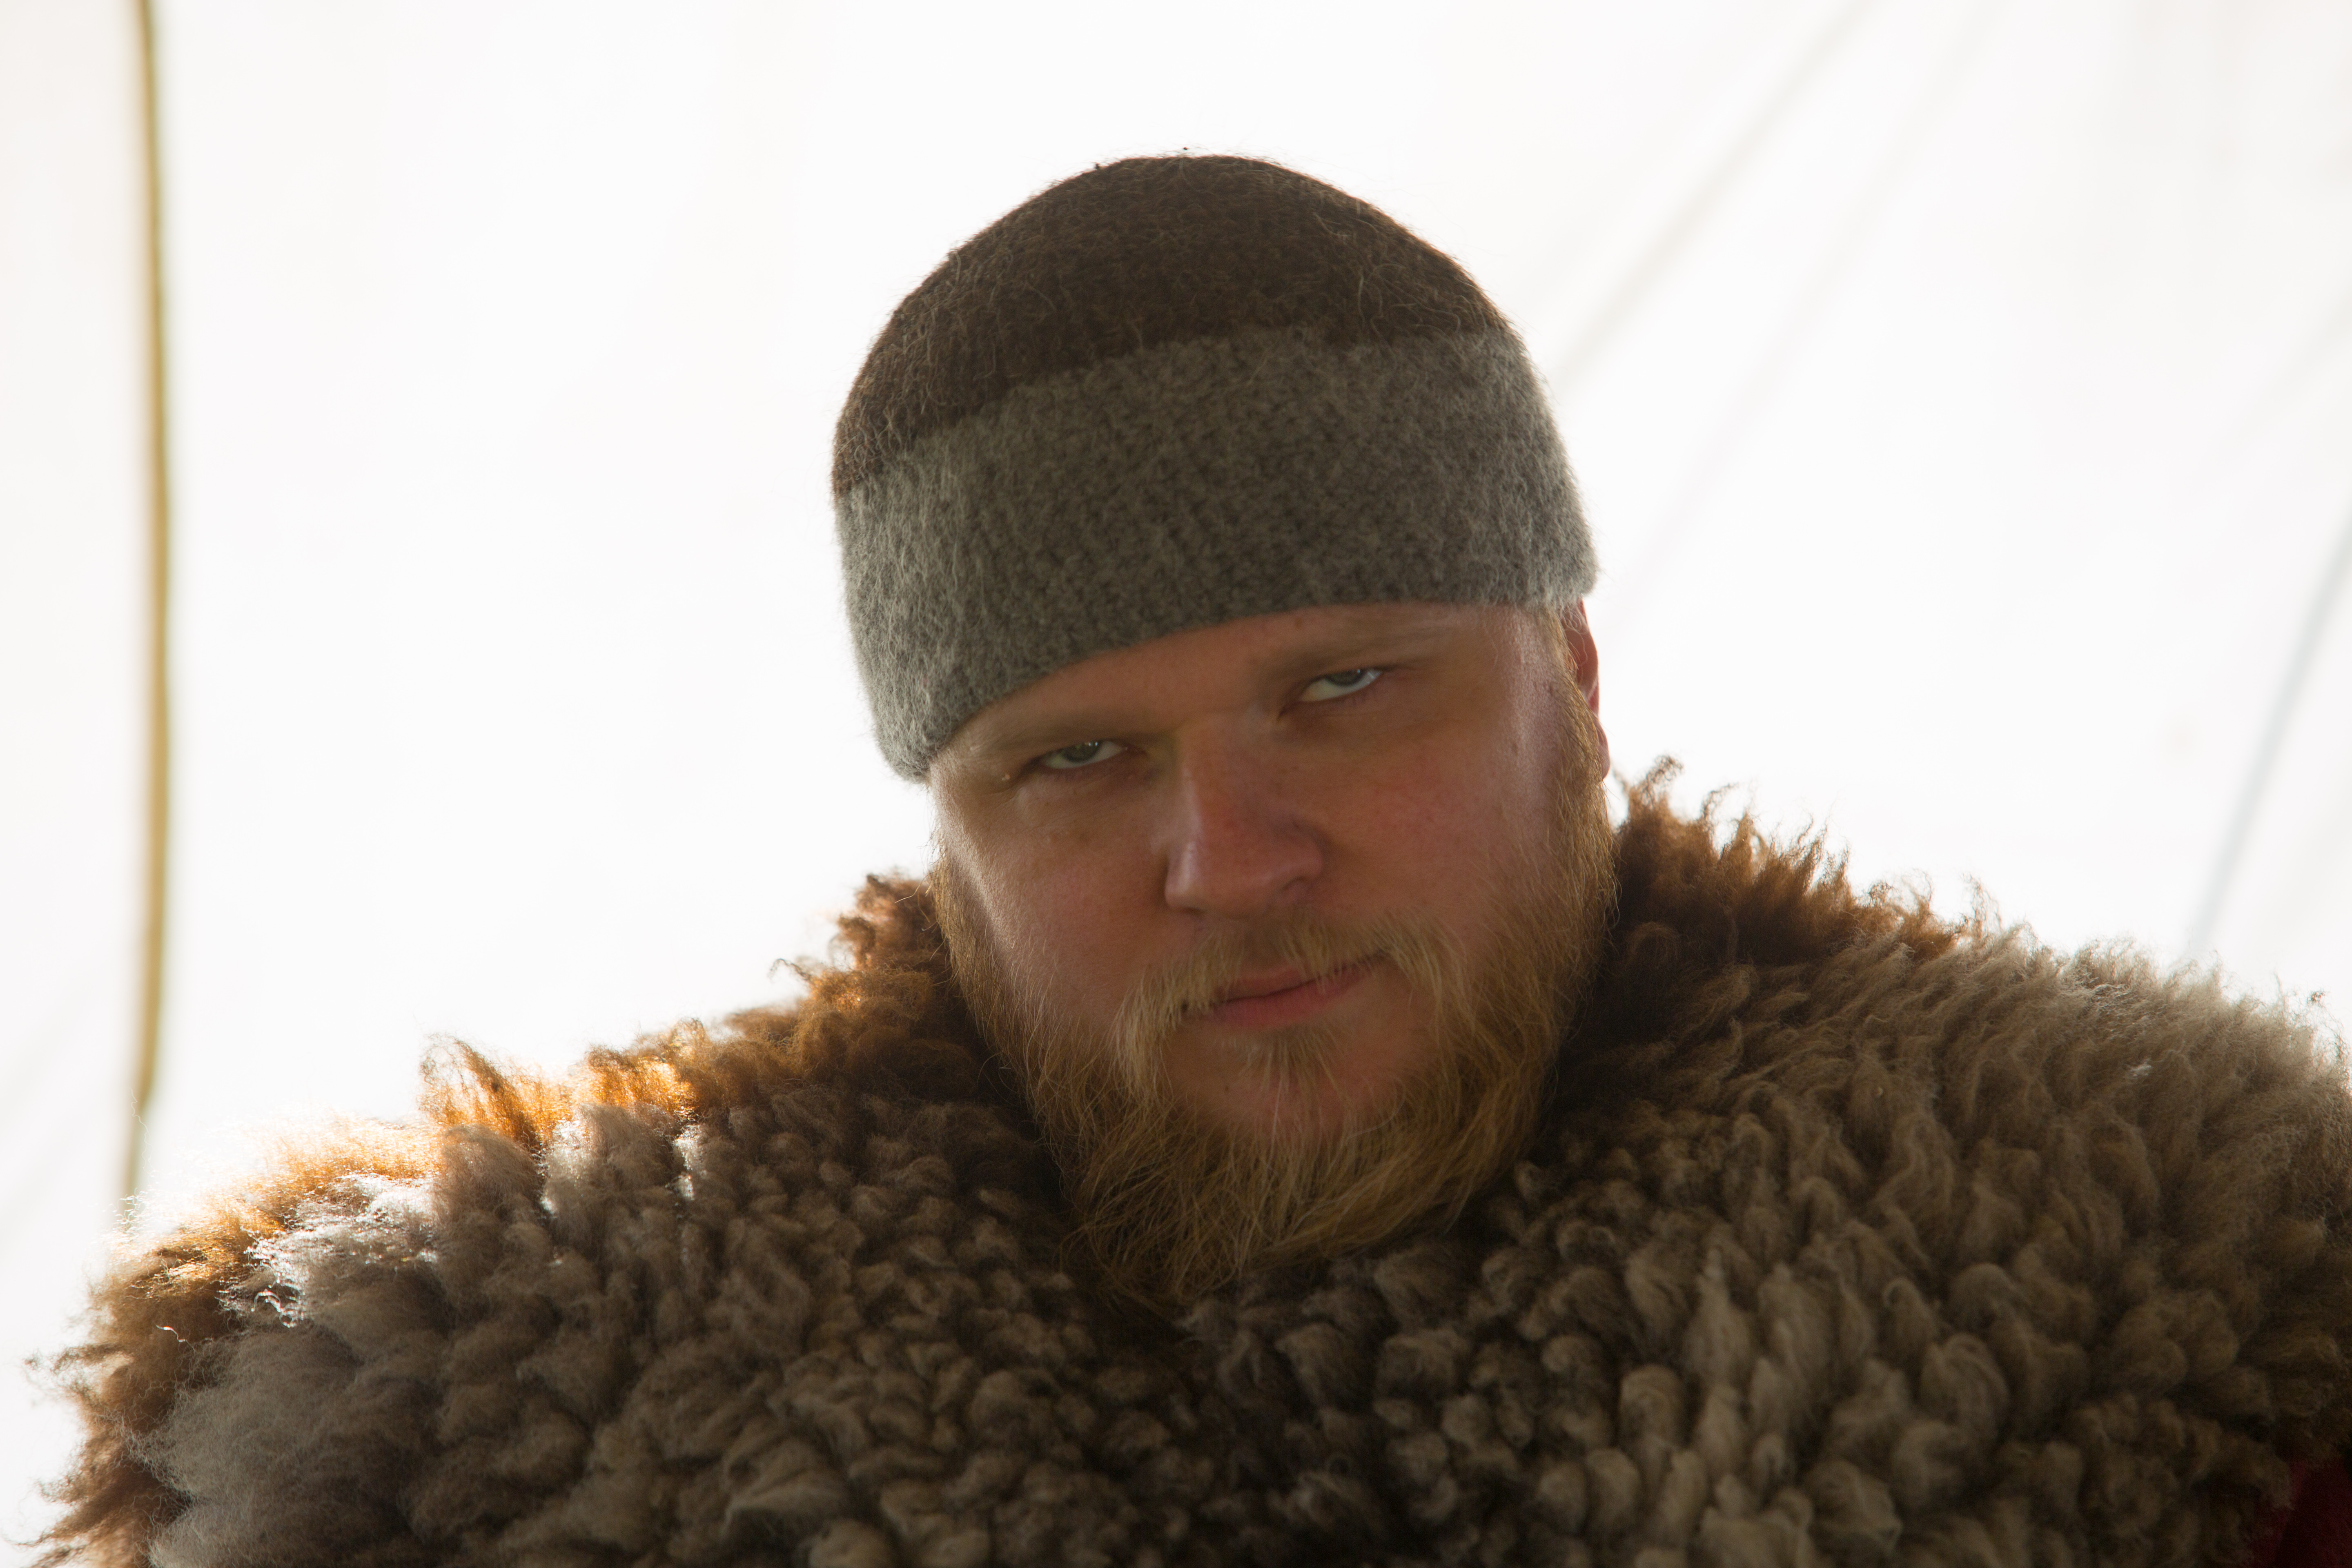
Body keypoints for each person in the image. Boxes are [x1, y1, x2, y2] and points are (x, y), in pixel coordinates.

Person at [38, 155, 2352, 1568]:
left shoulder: (2189, 1323)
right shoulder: (490, 1435)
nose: (1229, 857)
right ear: (943, 826)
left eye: (1346, 689)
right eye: (1073, 760)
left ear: (1574, 677)